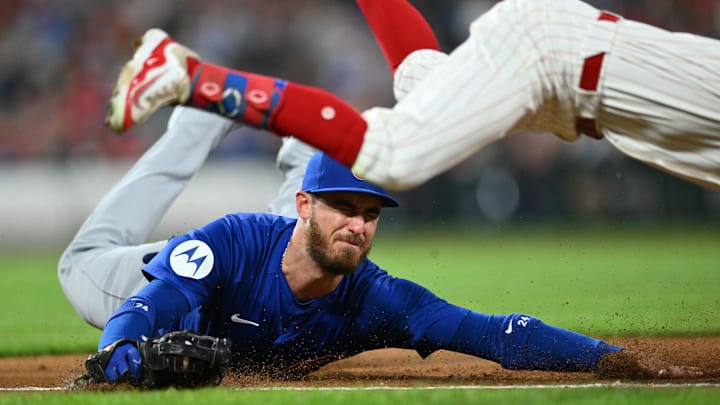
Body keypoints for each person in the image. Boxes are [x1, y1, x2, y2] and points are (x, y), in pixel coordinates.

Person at [89, 150, 702, 383]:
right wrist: (120, 354)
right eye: (343, 209)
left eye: (371, 214)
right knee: (80, 271)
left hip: (282, 252)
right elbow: (150, 306)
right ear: (309, 206)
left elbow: (494, 334)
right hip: (129, 279)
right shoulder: (231, 242)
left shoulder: (377, 299)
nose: (359, 225)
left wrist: (608, 358)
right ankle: (295, 151)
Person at [105, 0, 720, 192]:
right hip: (557, 59)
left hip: (566, 84)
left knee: (420, 77)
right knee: (394, 157)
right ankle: (188, 75)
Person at [58, 104, 317, 329]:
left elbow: (128, 330)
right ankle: (311, 146)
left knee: (78, 260)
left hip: (189, 277)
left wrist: (124, 345)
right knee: (304, 239)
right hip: (195, 275)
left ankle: (201, 122)